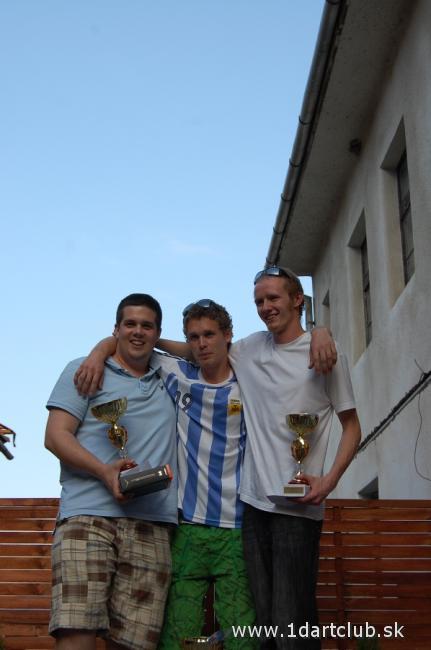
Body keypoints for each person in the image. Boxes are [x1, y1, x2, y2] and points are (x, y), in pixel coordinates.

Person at [75, 301, 258, 649]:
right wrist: (98, 352)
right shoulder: (175, 372)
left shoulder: (250, 378)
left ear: (227, 336)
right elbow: (131, 341)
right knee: (177, 629)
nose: (201, 343)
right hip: (188, 524)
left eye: (209, 335)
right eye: (193, 337)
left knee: (241, 630)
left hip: (238, 525)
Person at [229, 266, 361, 649]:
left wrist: (329, 481)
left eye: (273, 298)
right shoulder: (248, 349)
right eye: (259, 301)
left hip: (299, 509)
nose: (265, 307)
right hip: (254, 505)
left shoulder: (326, 354)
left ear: (297, 300)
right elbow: (199, 347)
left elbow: (352, 427)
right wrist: (109, 343)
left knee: (292, 624)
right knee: (266, 625)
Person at [44, 293, 178, 650]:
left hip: (152, 522)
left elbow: (207, 349)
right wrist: (105, 472)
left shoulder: (171, 375)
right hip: (88, 517)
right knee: (76, 632)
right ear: (116, 328)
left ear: (158, 333)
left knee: (135, 644)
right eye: (129, 324)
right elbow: (55, 436)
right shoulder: (85, 369)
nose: (138, 332)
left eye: (147, 326)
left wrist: (106, 345)